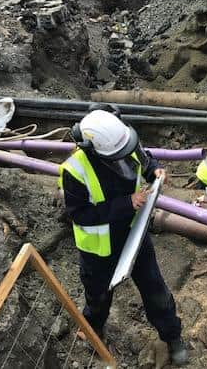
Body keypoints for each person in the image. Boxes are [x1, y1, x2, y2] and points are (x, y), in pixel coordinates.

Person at [59, 109, 188, 366]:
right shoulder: (74, 170)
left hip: (134, 235)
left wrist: (156, 171)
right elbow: (80, 215)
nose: (124, 154)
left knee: (155, 290)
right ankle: (94, 333)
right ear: (93, 149)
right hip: (99, 250)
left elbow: (146, 160)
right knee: (97, 298)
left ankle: (172, 336)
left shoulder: (124, 140)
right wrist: (127, 203)